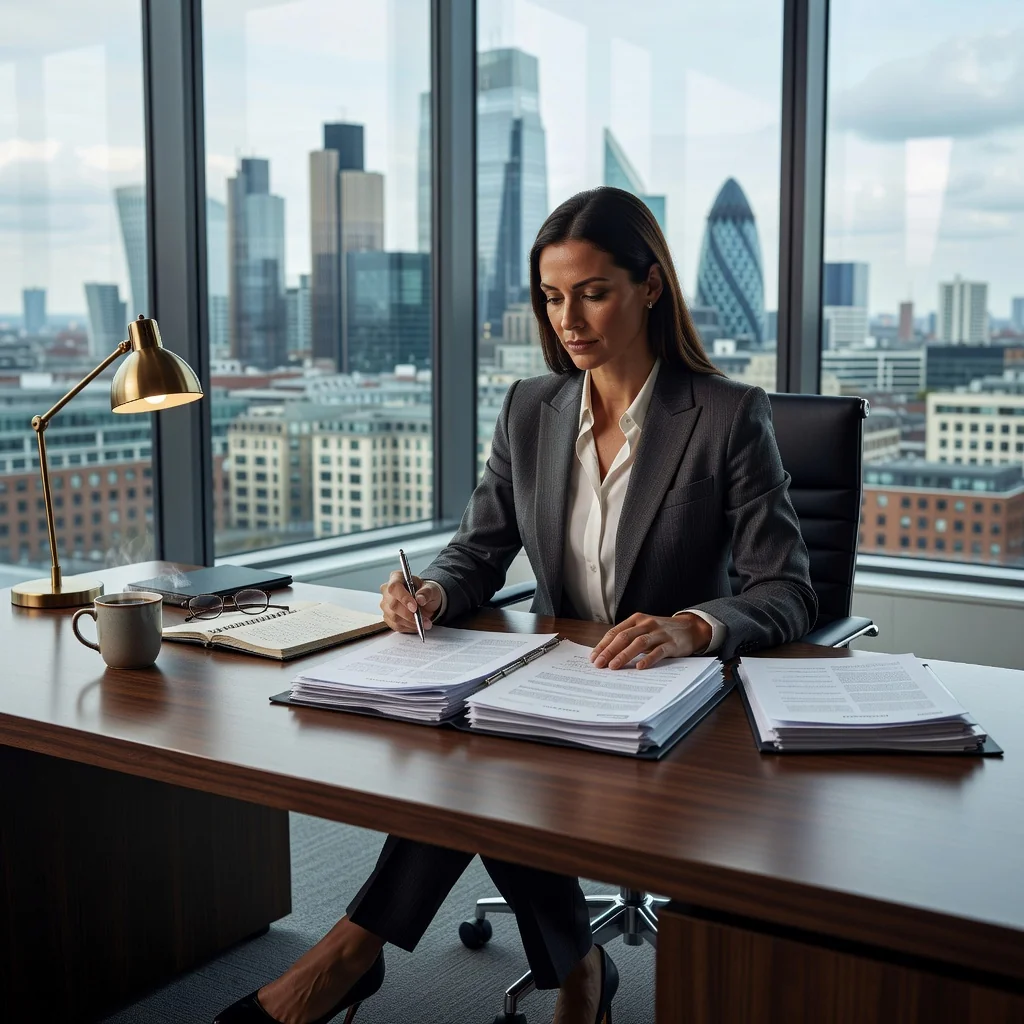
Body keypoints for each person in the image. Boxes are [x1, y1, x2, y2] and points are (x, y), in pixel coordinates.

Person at [214, 186, 817, 1024]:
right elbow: (478, 548)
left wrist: (691, 627)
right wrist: (432, 588)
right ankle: (570, 974)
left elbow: (786, 589)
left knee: (486, 769)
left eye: (594, 292)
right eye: (552, 296)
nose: (569, 318)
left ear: (650, 287)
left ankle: (356, 956)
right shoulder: (531, 408)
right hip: (561, 684)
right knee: (478, 751)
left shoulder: (724, 416)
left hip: (672, 705)